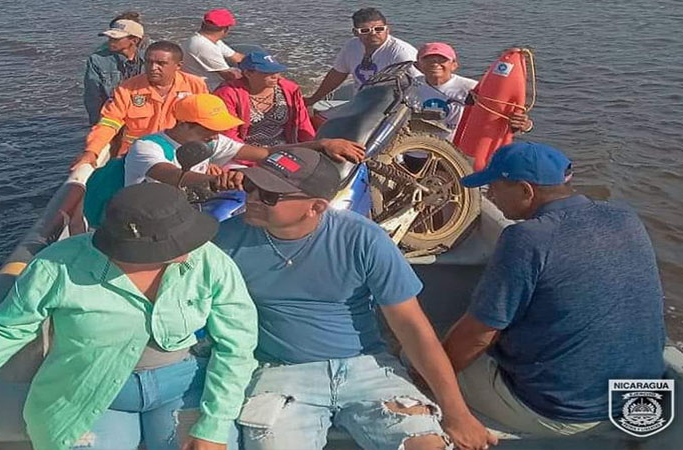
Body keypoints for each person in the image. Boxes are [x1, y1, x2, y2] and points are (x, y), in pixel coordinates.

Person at [0, 183, 258, 450]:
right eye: (176, 246)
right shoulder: (58, 265)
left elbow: (237, 344)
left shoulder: (209, 261)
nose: (189, 251)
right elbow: (1, 334)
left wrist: (213, 424)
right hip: (87, 396)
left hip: (181, 387)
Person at [213, 148, 498, 450]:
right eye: (250, 186)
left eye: (270, 195)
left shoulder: (363, 238)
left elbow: (413, 329)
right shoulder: (223, 241)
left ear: (316, 207)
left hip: (367, 367)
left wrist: (457, 414)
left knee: (428, 445)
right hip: (280, 372)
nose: (253, 198)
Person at [442, 141, 666, 437]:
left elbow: (479, 335)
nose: (490, 196)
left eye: (493, 187)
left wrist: (426, 371)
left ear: (525, 191)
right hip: (643, 397)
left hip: (565, 412)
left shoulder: (525, 238)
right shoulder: (625, 217)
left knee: (421, 356)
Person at [123, 94, 363, 190]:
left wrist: (321, 144)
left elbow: (266, 152)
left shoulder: (212, 143)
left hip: (191, 206)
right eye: (210, 129)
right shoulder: (148, 147)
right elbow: (172, 175)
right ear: (184, 124)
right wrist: (218, 179)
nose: (216, 135)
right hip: (144, 212)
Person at [73, 41, 208, 168]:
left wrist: (207, 160)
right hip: (136, 157)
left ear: (178, 66)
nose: (153, 68)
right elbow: (109, 122)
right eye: (149, 62)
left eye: (161, 63)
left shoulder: (195, 86)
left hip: (180, 154)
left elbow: (206, 123)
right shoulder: (127, 89)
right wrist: (92, 151)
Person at [412, 42, 532, 140]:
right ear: (418, 65)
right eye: (428, 60)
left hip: (453, 155)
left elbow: (498, 117)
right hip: (413, 151)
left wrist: (524, 126)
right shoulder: (407, 86)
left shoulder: (472, 88)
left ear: (454, 65)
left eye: (442, 60)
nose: (435, 64)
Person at [305, 7, 419, 107]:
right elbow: (337, 74)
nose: (373, 33)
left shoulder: (401, 52)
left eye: (379, 29)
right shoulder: (351, 46)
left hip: (391, 107)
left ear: (387, 29)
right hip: (360, 103)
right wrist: (313, 99)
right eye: (365, 30)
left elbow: (421, 83)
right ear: (355, 32)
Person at [214, 51, 316, 148]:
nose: (275, 76)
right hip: (244, 151)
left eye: (276, 71)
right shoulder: (228, 94)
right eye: (267, 72)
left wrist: (313, 147)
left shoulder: (289, 90)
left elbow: (303, 124)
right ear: (248, 74)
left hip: (284, 148)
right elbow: (228, 135)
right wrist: (257, 156)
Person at [83, 18, 146, 124]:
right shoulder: (97, 60)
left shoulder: (150, 58)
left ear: (134, 41)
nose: (110, 42)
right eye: (109, 38)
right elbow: (93, 96)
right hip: (114, 115)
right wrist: (97, 123)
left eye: (115, 39)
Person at [182, 9, 245, 91]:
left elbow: (237, 57)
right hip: (207, 89)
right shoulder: (204, 46)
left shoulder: (210, 40)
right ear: (226, 29)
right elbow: (231, 76)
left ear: (202, 24)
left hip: (213, 84)